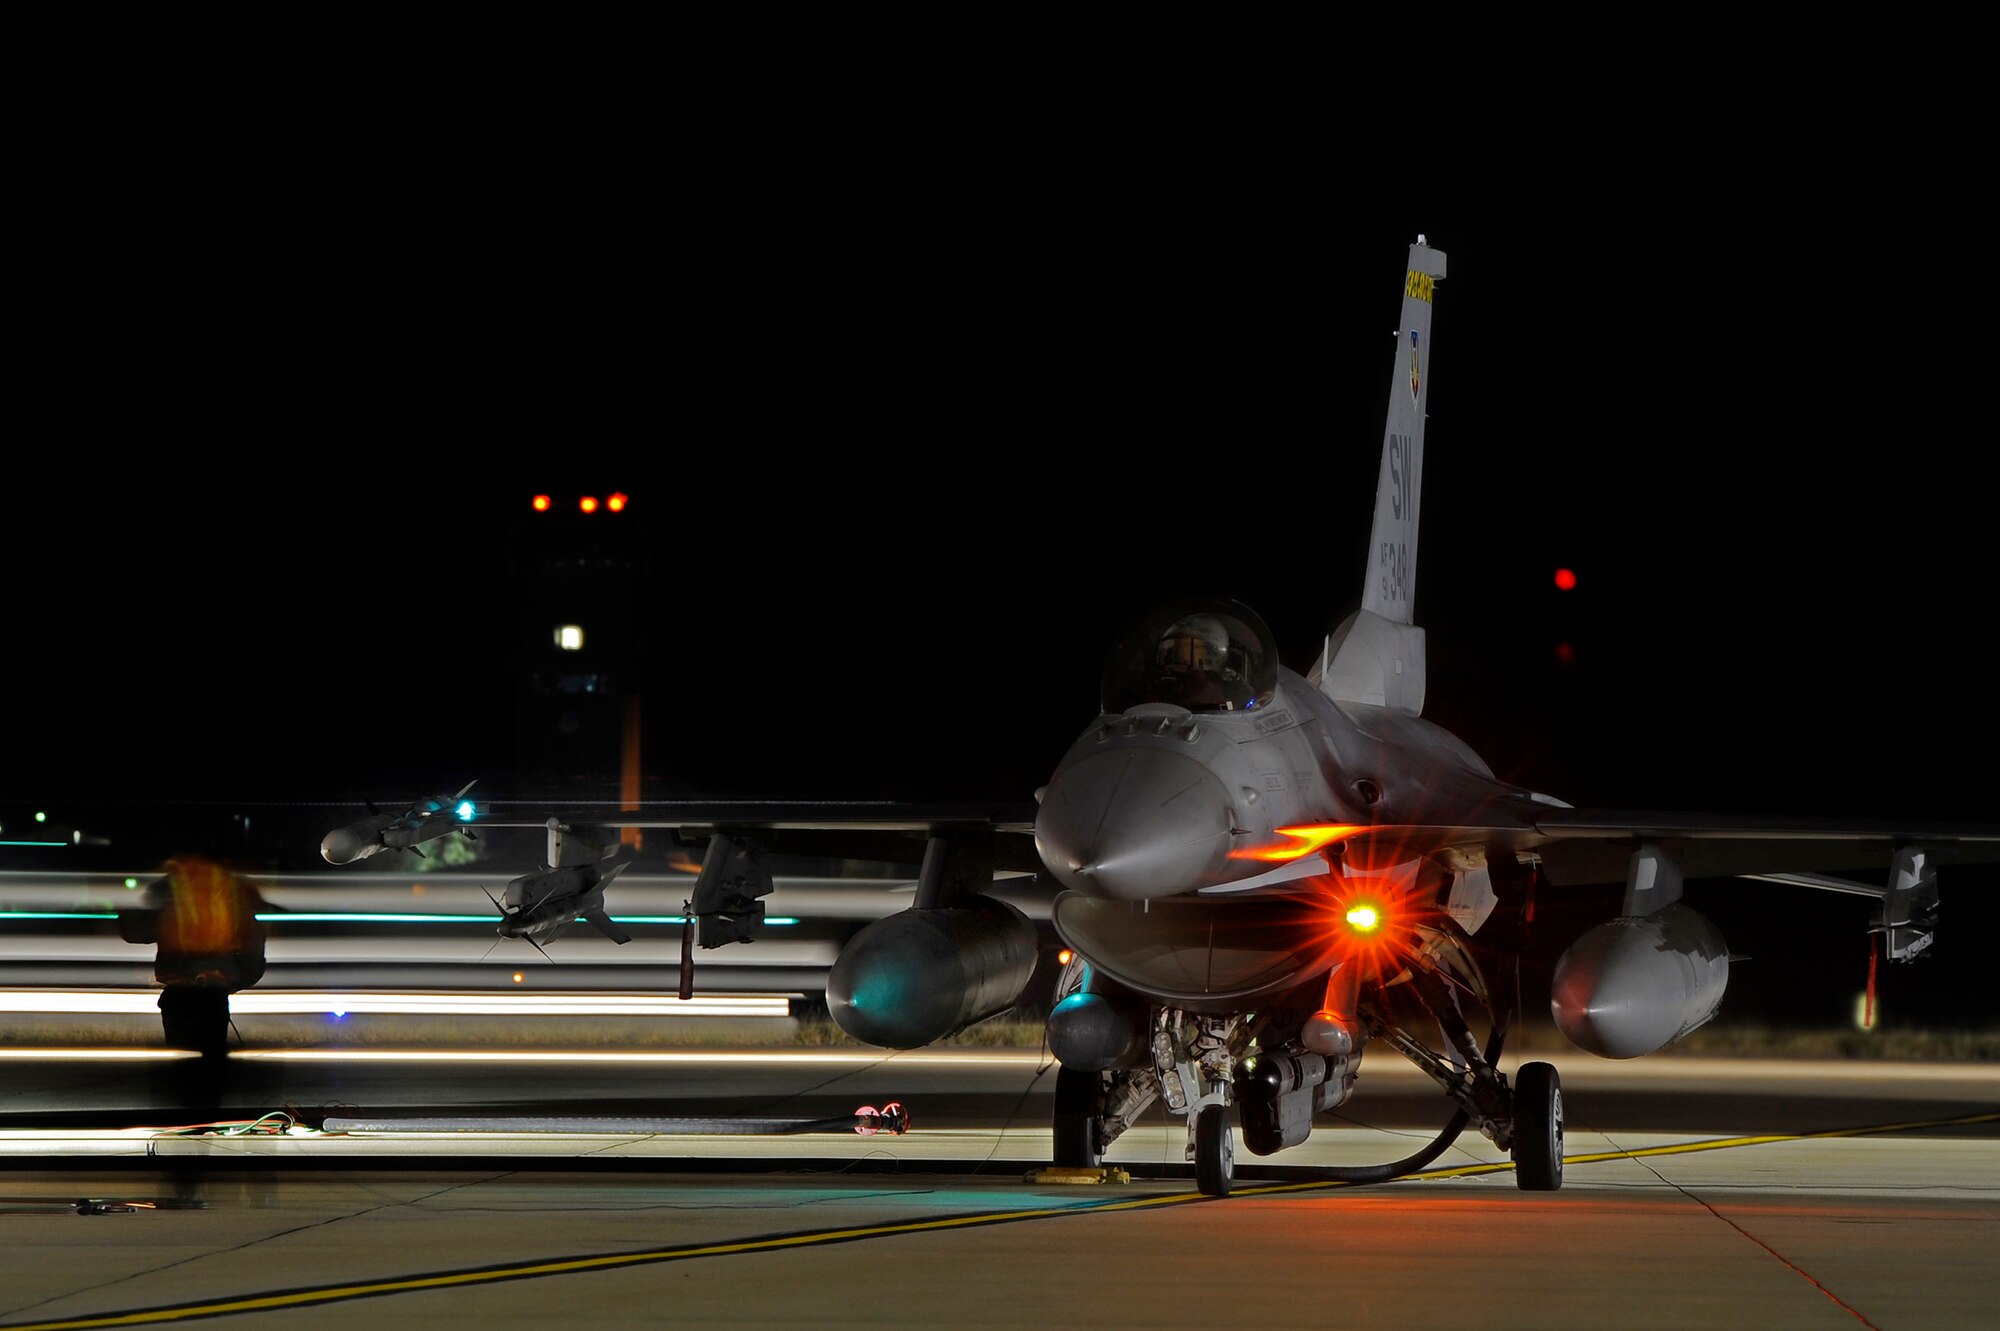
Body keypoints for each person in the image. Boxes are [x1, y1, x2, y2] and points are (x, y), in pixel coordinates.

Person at [118, 855, 270, 1059]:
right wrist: (236, 979)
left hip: (181, 991)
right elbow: (253, 942)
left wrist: (121, 915)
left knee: (182, 1062)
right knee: (211, 1061)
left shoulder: (171, 888)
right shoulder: (233, 889)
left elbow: (138, 931)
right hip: (212, 993)